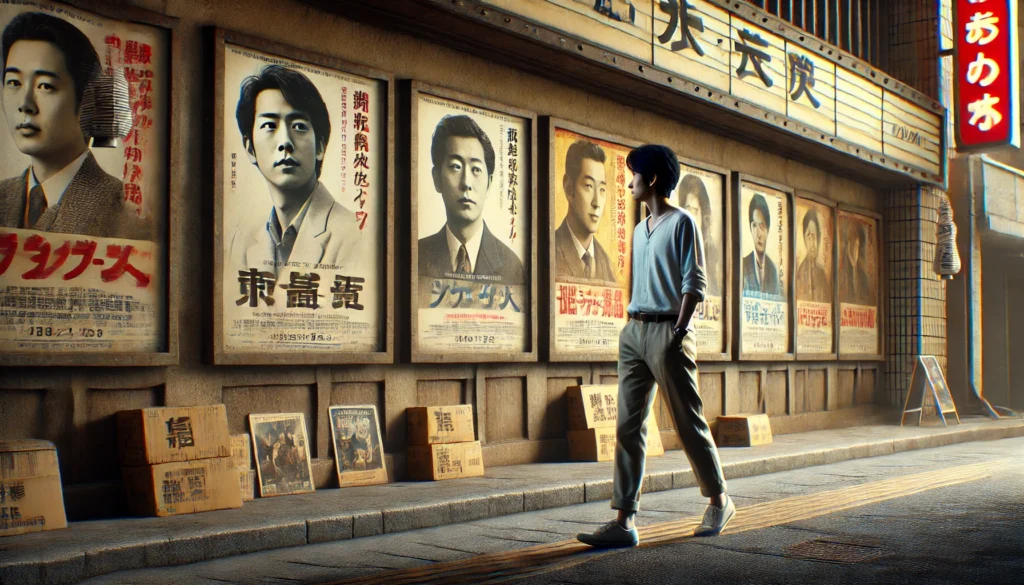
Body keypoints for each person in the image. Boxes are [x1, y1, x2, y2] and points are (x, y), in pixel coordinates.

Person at [577, 145, 732, 549]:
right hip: (635, 332)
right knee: (628, 427)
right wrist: (631, 328)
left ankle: (720, 501)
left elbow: (695, 284)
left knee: (687, 422)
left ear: (653, 179)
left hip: (669, 332)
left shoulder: (682, 223)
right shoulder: (639, 229)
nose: (630, 182)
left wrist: (678, 331)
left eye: (635, 174)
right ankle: (624, 521)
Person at [0, 12, 148, 240]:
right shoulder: (3, 196)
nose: (25, 104)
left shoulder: (128, 213)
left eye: (45, 86)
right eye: (14, 82)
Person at [227, 65, 360, 280]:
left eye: (299, 126)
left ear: (320, 147)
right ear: (250, 148)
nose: (285, 142)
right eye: (269, 125)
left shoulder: (355, 235)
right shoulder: (240, 242)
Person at [418, 114, 524, 285]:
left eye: (476, 169)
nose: (466, 183)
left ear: (489, 183)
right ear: (437, 178)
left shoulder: (511, 266)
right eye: (456, 167)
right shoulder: (417, 256)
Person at [554, 139, 616, 284]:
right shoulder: (551, 250)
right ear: (569, 188)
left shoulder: (608, 265)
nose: (596, 203)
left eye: (602, 189)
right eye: (588, 186)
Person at [679, 174, 720, 295]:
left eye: (695, 211)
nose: (691, 217)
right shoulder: (676, 244)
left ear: (703, 216)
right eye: (687, 209)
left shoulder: (711, 250)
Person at [741, 193, 781, 296]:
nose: (758, 234)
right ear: (750, 229)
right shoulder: (743, 265)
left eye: (762, 226)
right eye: (754, 225)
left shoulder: (773, 270)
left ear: (768, 229)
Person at [796, 209, 831, 303]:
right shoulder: (800, 273)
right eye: (809, 236)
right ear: (804, 239)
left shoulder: (821, 274)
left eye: (815, 237)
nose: (812, 243)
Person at [838, 222, 876, 306]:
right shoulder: (842, 273)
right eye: (853, 245)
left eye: (857, 246)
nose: (855, 250)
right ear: (848, 247)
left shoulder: (862, 274)